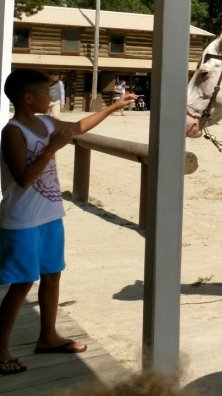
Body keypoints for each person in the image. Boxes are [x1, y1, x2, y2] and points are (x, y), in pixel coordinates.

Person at [0, 69, 137, 376]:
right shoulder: (13, 131)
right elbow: (23, 179)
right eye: (45, 92)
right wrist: (51, 150)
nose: (52, 97)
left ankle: (48, 336)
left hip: (50, 216)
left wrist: (113, 107)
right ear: (27, 97)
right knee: (22, 284)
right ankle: (0, 348)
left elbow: (76, 127)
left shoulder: (47, 123)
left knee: (52, 276)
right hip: (21, 221)